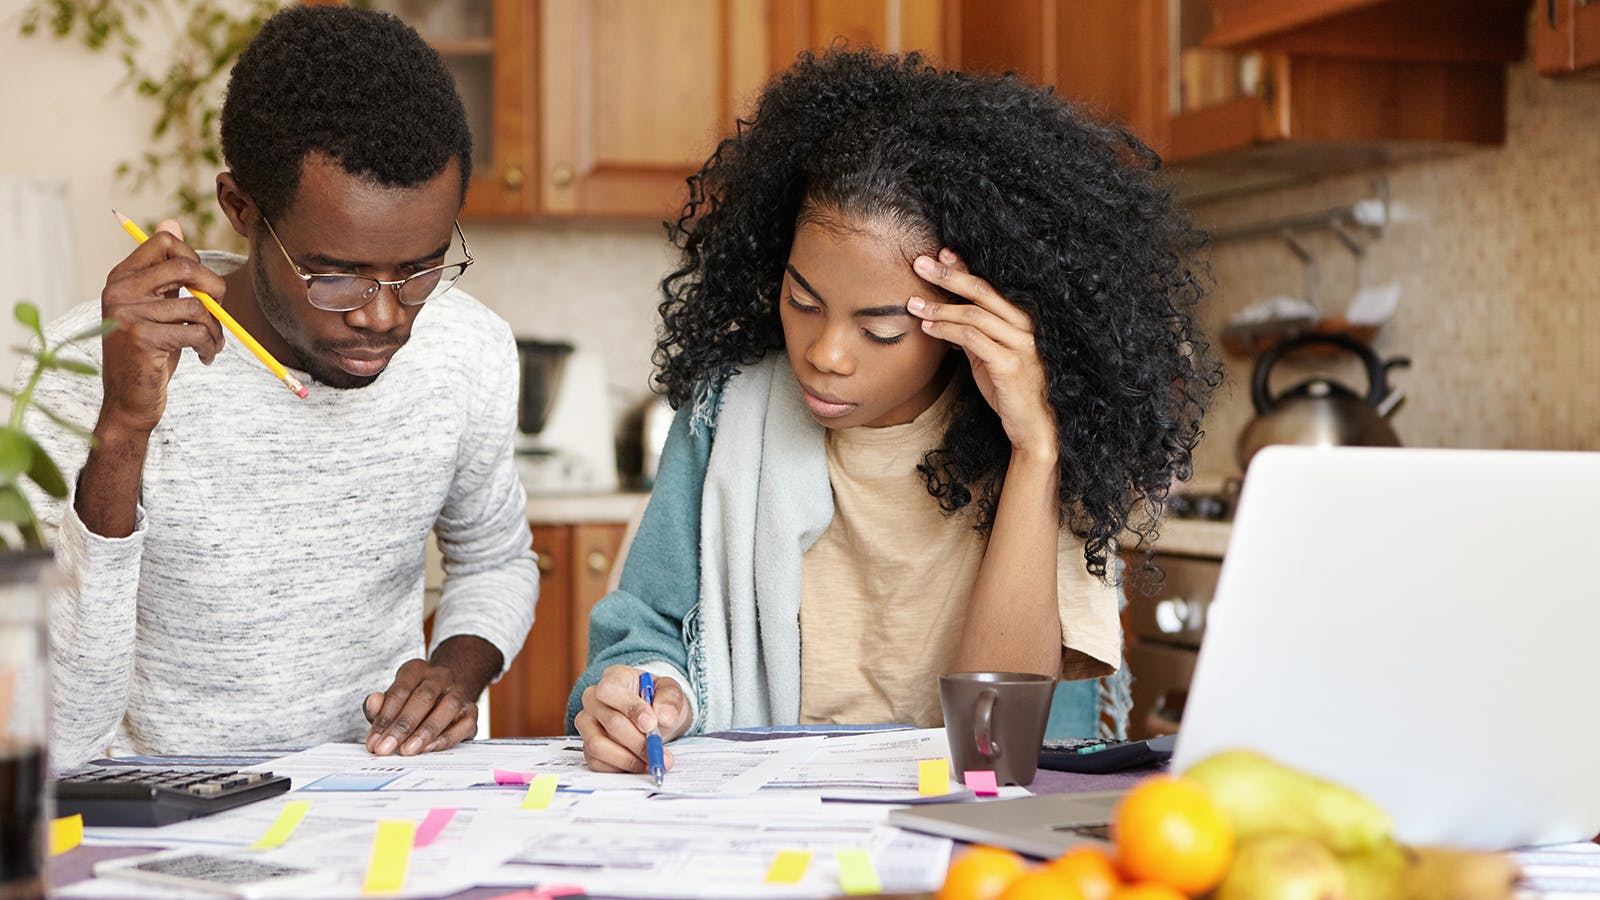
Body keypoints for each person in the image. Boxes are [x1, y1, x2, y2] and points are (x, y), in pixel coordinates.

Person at [570, 49, 1219, 774]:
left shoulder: (1038, 441)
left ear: (968, 314)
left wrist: (1037, 451)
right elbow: (649, 632)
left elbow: (998, 745)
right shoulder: (725, 419)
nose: (827, 353)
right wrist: (646, 693)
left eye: (880, 328)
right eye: (802, 301)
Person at [20, 6, 539, 768]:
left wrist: (454, 676)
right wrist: (124, 429)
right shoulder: (79, 373)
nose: (386, 316)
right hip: (158, 830)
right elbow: (54, 731)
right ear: (241, 212)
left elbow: (496, 558)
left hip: (377, 810)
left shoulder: (468, 350)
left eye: (420, 269)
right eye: (336, 275)